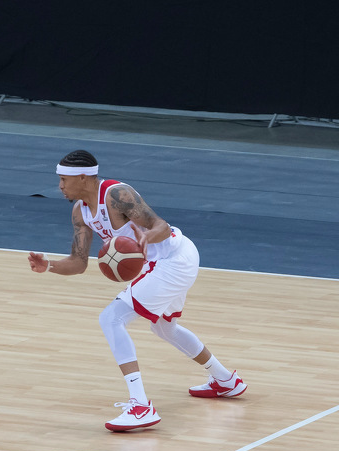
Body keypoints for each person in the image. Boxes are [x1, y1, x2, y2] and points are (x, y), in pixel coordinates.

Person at [28, 149, 247, 432]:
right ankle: (225, 380)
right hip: (160, 265)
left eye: (63, 180)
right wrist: (48, 266)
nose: (59, 186)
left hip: (173, 258)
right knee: (165, 328)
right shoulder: (80, 211)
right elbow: (79, 263)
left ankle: (141, 406)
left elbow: (161, 226)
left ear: (82, 177)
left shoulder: (116, 194)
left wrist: (146, 237)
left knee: (111, 318)